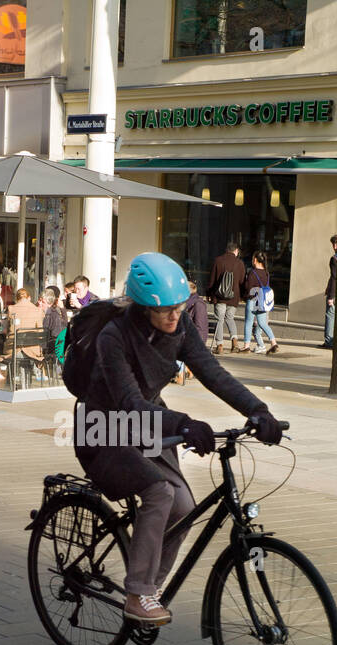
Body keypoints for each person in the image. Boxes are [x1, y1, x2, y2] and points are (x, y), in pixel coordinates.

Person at [73, 252, 283, 625]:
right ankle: (137, 594)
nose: (175, 316)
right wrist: (183, 425)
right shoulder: (114, 336)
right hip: (102, 428)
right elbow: (130, 403)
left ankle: (149, 590)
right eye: (165, 310)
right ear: (142, 307)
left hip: (146, 424)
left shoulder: (180, 326)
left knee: (183, 505)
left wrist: (258, 410)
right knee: (159, 492)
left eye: (180, 307)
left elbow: (212, 372)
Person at [207, 241, 246, 354]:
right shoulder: (240, 263)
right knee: (230, 318)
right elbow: (242, 282)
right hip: (234, 297)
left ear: (226, 250)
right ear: (236, 251)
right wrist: (242, 296)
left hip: (219, 296)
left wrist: (209, 294)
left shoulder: (218, 260)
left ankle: (220, 346)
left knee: (219, 320)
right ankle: (235, 343)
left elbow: (212, 280)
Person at [237, 250, 279, 354]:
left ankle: (246, 346)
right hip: (262, 302)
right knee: (263, 323)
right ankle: (274, 343)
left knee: (249, 322)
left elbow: (248, 288)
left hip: (252, 300)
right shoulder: (266, 273)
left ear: (255, 260)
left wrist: (244, 296)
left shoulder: (252, 273)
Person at [319, 234, 337, 349]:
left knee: (330, 315)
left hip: (334, 292)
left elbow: (334, 277)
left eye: (336, 244)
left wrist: (331, 296)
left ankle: (329, 341)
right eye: (333, 244)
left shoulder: (334, 258)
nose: (334, 246)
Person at [41, 285, 67, 364]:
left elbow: (53, 333)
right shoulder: (53, 312)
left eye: (42, 302)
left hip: (50, 346)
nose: (40, 303)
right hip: (56, 345)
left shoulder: (52, 313)